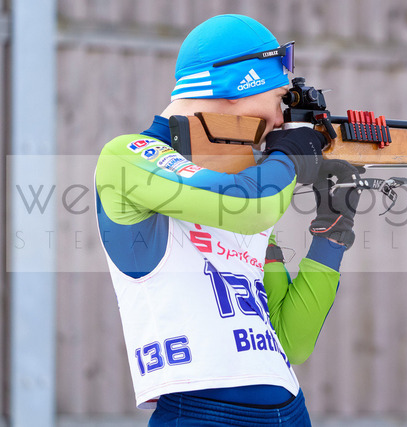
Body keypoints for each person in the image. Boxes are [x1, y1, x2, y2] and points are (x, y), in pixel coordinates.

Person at [95, 14, 360, 426]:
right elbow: (248, 206)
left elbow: (291, 341)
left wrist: (333, 228)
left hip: (291, 410)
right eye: (279, 100)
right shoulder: (126, 156)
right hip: (201, 413)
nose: (280, 120)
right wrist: (291, 155)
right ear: (240, 85)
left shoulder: (245, 178)